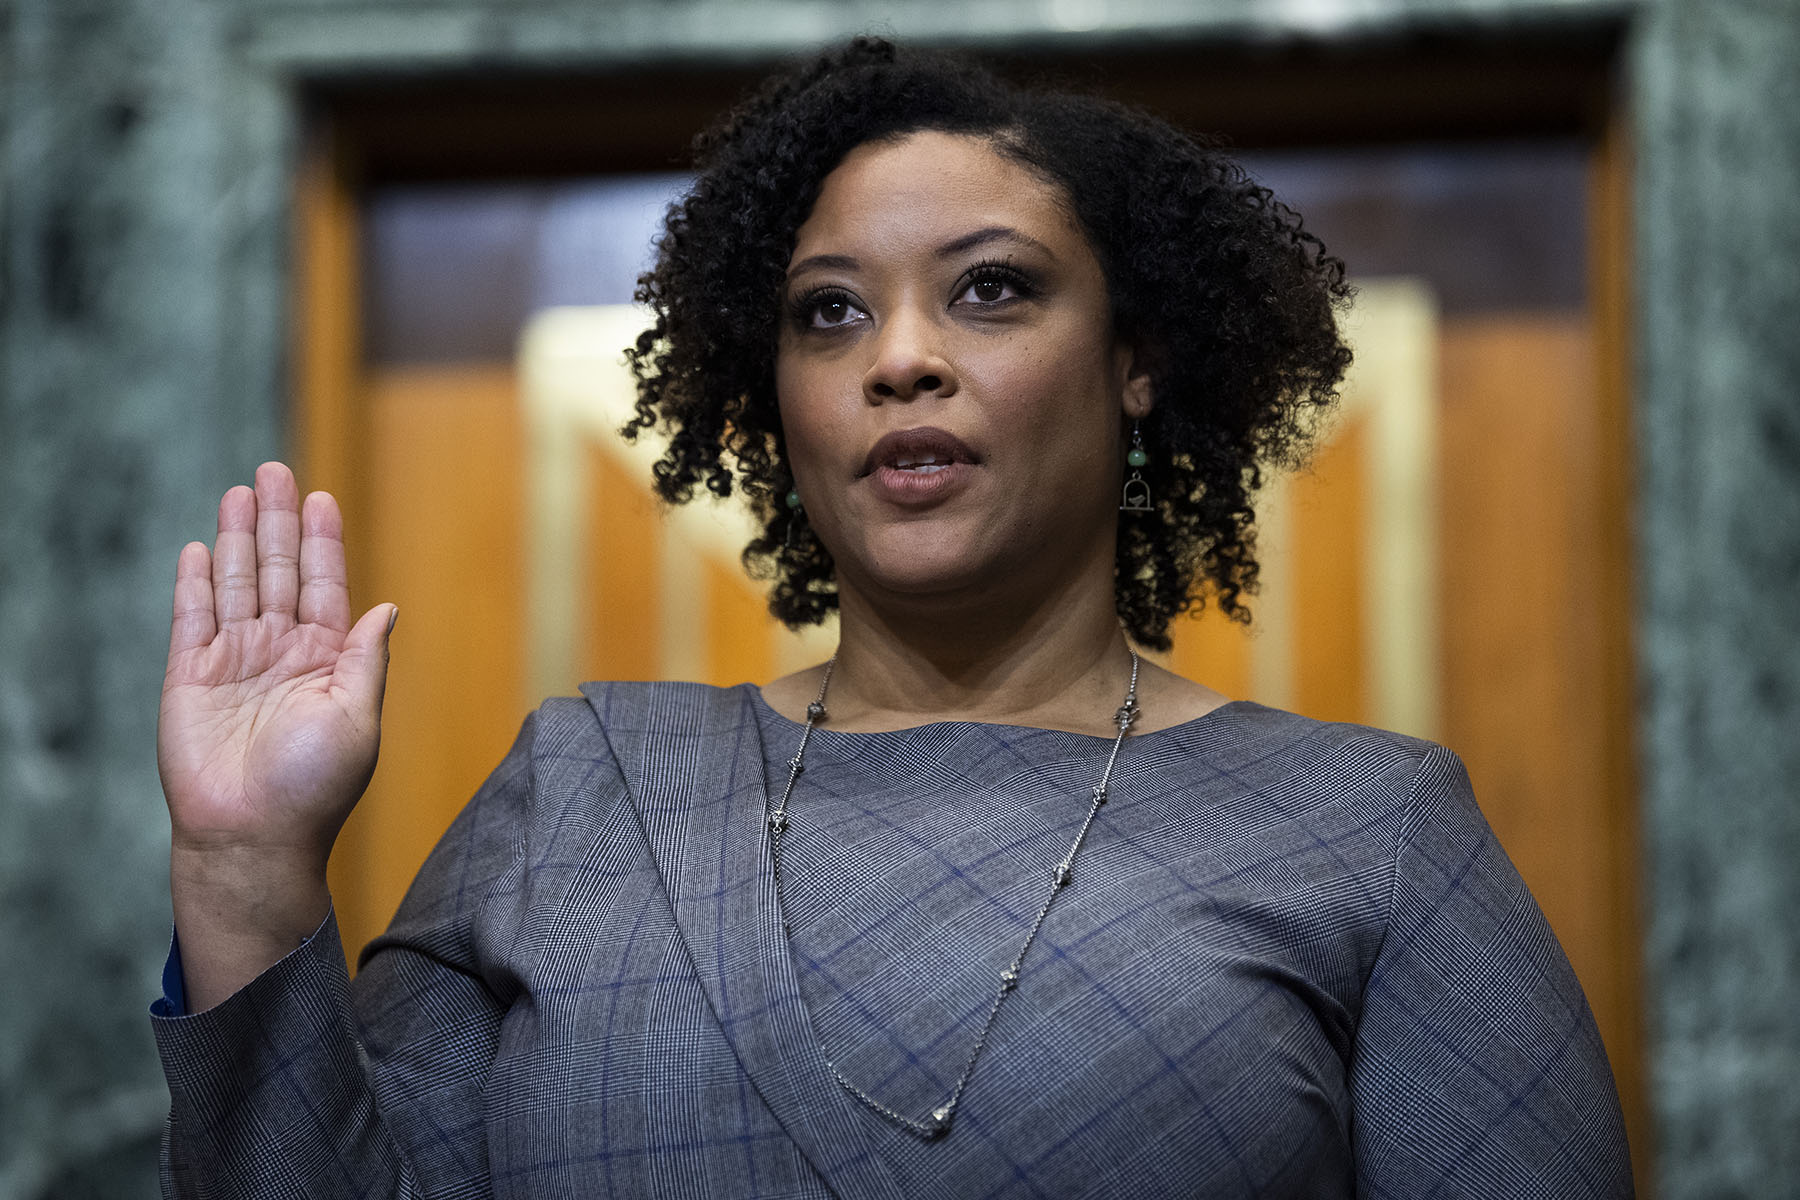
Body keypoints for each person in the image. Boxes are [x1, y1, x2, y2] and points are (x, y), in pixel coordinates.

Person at [150, 38, 1632, 1198]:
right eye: (830, 312)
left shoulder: (1370, 832)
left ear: (1136, 360)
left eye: (991, 291)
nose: (901, 359)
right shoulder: (584, 789)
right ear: (771, 393)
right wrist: (240, 868)